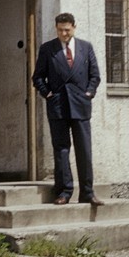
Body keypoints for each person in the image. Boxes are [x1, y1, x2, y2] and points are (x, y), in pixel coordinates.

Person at [32, 12, 102, 205]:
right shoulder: (48, 49)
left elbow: (95, 75)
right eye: (61, 30)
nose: (64, 33)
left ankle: (87, 192)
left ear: (74, 27)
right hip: (58, 106)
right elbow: (37, 77)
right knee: (61, 149)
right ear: (56, 29)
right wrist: (47, 94)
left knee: (84, 150)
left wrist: (89, 93)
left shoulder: (86, 48)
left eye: (67, 30)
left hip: (81, 105)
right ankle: (64, 191)